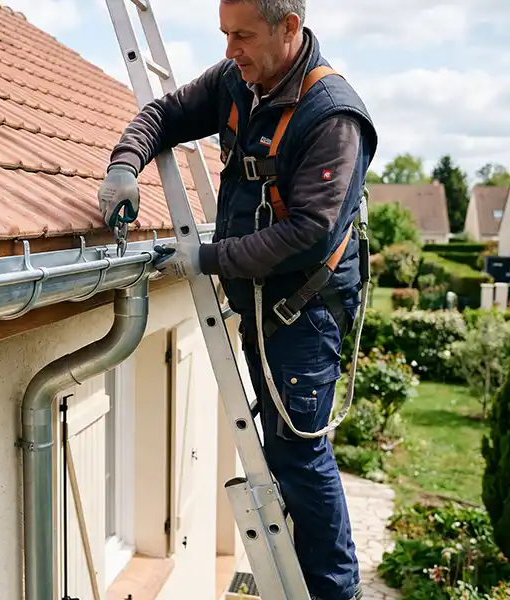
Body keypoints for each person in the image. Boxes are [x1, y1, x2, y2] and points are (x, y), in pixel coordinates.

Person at [97, 1, 378, 599]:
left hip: (304, 312)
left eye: (243, 36)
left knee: (300, 455)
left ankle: (334, 591)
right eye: (225, 35)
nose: (230, 50)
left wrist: (206, 258)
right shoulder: (239, 82)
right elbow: (164, 114)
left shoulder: (332, 117)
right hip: (260, 301)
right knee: (279, 449)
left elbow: (309, 233)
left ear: (290, 28)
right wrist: (125, 165)